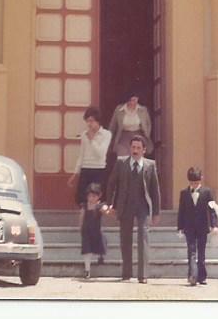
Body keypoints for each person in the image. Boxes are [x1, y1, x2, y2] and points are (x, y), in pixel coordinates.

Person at [105, 133, 161, 283]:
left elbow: (155, 190)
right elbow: (111, 183)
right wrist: (110, 204)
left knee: (143, 238)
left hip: (142, 206)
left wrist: (156, 212)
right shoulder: (121, 163)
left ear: (144, 150)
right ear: (130, 148)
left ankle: (143, 275)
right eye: (133, 147)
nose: (135, 150)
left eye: (138, 148)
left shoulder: (150, 165)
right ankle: (126, 273)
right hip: (125, 205)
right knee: (125, 239)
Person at [176, 166, 218, 286]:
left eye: (196, 182)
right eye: (192, 183)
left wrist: (214, 225)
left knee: (201, 252)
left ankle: (202, 276)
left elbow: (212, 210)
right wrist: (180, 227)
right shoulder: (184, 193)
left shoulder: (207, 192)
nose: (194, 185)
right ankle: (192, 276)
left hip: (202, 227)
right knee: (191, 251)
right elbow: (181, 211)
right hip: (189, 227)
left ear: (201, 179)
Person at [68, 107, 111, 208]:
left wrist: (92, 140)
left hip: (99, 169)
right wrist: (75, 173)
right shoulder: (84, 135)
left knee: (97, 198)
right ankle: (84, 217)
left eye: (91, 121)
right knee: (82, 199)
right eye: (87, 121)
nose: (89, 124)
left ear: (97, 121)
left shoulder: (106, 134)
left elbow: (101, 153)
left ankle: (95, 217)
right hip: (85, 168)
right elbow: (81, 154)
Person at [79, 182, 108, 279]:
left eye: (94, 196)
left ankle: (101, 256)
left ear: (99, 196)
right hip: (86, 230)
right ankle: (87, 270)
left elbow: (105, 210)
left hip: (96, 230)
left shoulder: (100, 206)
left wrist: (107, 209)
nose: (91, 198)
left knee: (101, 242)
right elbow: (81, 217)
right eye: (89, 196)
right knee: (87, 250)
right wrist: (80, 228)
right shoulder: (84, 206)